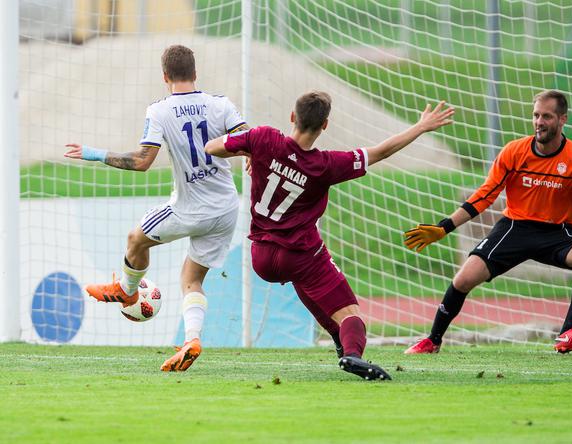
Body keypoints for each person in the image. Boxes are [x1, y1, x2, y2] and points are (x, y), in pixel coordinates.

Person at [205, 91, 454, 380]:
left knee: (310, 288)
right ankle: (351, 355)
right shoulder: (326, 165)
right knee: (351, 314)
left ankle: (340, 344)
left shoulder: (262, 138)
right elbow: (381, 151)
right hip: (298, 255)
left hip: (260, 255)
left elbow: (213, 147)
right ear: (325, 126)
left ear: (292, 117)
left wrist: (248, 150)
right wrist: (420, 126)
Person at [403, 90, 572, 354]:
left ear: (562, 120)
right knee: (463, 280)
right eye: (536, 115)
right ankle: (432, 340)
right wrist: (445, 226)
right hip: (514, 228)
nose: (539, 121)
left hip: (558, 233)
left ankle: (567, 333)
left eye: (546, 116)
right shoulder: (514, 151)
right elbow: (484, 196)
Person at [64, 45, 248, 371]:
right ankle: (192, 338)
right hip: (226, 209)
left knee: (136, 239)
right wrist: (251, 159)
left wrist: (93, 153)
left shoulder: (160, 110)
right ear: (196, 73)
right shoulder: (221, 104)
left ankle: (128, 291)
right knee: (192, 279)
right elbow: (249, 140)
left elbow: (142, 162)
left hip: (190, 207)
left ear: (164, 76)